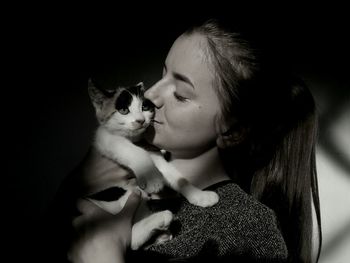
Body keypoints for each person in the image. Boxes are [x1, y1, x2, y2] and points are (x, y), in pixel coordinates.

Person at [44, 19, 322, 263]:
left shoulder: (246, 228)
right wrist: (76, 185)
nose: (151, 95)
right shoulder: (111, 182)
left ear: (233, 130)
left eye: (180, 94)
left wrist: (103, 257)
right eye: (163, 74)